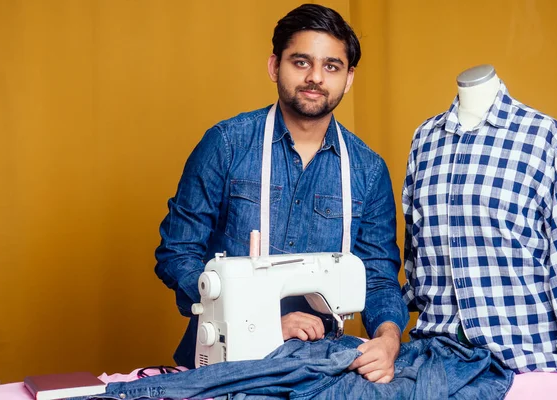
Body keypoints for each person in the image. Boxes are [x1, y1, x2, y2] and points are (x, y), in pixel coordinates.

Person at [154, 4, 408, 382]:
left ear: (349, 78)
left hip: (319, 369)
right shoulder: (226, 145)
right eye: (301, 62)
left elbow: (379, 277)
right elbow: (177, 253)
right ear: (275, 66)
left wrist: (387, 339)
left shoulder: (368, 171)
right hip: (225, 363)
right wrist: (260, 321)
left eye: (332, 66)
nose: (316, 78)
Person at [403, 64, 557, 373]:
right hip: (437, 352)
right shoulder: (425, 137)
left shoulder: (543, 134)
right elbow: (414, 246)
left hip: (523, 354)